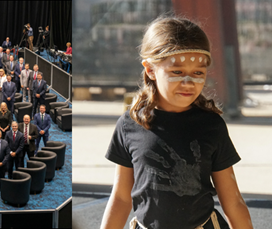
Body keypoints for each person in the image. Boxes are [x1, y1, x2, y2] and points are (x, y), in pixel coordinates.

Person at [101, 17, 252, 229]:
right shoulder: (129, 125)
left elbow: (233, 201)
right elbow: (121, 198)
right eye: (177, 72)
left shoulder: (212, 125)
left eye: (198, 73)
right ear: (150, 70)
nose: (188, 83)